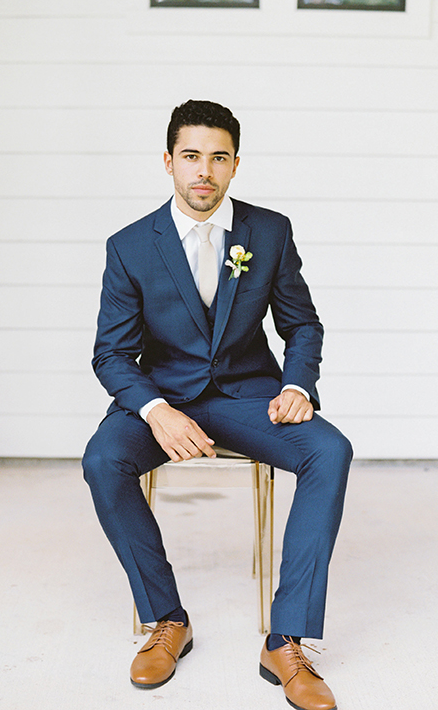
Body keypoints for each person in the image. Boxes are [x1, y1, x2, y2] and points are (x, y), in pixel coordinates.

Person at [82, 99, 352, 710]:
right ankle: (167, 620)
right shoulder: (129, 246)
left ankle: (285, 640)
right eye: (191, 156)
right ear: (170, 163)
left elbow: (301, 324)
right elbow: (110, 355)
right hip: (162, 398)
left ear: (235, 165)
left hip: (248, 395)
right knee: (103, 462)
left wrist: (296, 386)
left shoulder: (268, 231)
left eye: (218, 157)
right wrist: (155, 409)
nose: (204, 170)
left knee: (330, 450)